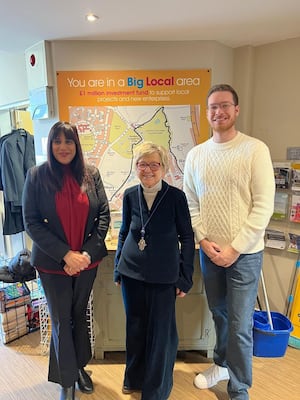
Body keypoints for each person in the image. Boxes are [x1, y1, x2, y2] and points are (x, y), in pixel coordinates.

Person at [183, 84, 275, 400]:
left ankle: (239, 387)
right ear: (207, 113)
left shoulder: (255, 150)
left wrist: (235, 248)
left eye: (224, 106)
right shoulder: (196, 155)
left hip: (245, 254)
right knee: (220, 314)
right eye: (212, 107)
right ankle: (222, 364)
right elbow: (191, 203)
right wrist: (204, 242)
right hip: (210, 252)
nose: (218, 112)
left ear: (236, 110)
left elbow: (264, 205)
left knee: (239, 323)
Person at [22, 121, 110, 400]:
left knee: (79, 315)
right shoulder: (37, 176)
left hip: (86, 263)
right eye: (57, 141)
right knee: (60, 320)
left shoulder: (91, 174)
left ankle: (79, 367)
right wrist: (65, 255)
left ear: (76, 145)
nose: (63, 147)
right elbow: (32, 223)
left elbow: (103, 216)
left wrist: (84, 254)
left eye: (68, 141)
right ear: (50, 145)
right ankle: (67, 381)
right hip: (52, 264)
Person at [114, 142, 195, 400]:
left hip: (164, 275)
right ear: (135, 166)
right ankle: (134, 377)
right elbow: (124, 232)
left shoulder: (176, 197)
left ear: (163, 167)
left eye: (153, 164)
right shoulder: (129, 195)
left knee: (161, 333)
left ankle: (156, 389)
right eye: (142, 164)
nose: (147, 170)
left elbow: (187, 237)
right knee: (135, 328)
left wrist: (185, 276)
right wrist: (118, 267)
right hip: (131, 274)